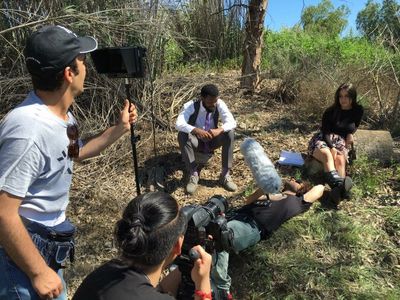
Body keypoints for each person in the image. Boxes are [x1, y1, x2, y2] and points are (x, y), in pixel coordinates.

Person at [0, 25, 138, 300]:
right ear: (68, 73)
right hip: (21, 255)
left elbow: (75, 153)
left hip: (51, 244)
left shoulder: (63, 118)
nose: (86, 66)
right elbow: (3, 211)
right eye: (82, 60)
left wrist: (119, 128)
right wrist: (38, 271)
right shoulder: (28, 129)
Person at [211, 180, 341, 299]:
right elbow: (248, 201)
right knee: (205, 230)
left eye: (298, 181)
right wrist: (262, 189)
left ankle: (221, 290)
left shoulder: (299, 201)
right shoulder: (270, 195)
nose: (293, 179)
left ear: (303, 189)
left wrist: (327, 188)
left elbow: (318, 188)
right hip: (233, 217)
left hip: (251, 227)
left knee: (221, 235)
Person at [73, 191, 212, 300]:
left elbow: (156, 288)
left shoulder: (106, 272)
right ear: (178, 245)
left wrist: (185, 269)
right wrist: (203, 282)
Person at [176, 84, 237, 195]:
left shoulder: (219, 103)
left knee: (230, 133)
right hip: (197, 141)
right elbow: (179, 124)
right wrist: (196, 130)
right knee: (182, 134)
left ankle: (225, 175)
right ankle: (193, 173)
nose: (213, 105)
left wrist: (219, 130)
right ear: (202, 98)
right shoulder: (191, 105)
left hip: (213, 139)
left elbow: (232, 122)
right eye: (210, 102)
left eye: (215, 101)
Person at [308, 83, 363, 189]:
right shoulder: (330, 111)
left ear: (353, 97)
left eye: (347, 96)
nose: (343, 99)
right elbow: (325, 132)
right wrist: (332, 147)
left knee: (340, 160)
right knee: (327, 155)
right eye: (340, 96)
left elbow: (354, 125)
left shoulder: (358, 110)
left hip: (340, 141)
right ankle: (340, 188)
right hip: (324, 139)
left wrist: (351, 134)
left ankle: (338, 191)